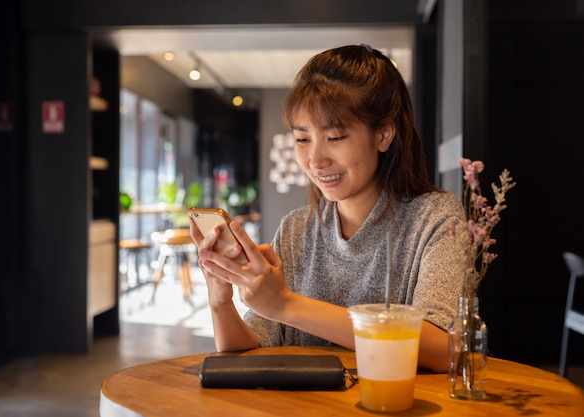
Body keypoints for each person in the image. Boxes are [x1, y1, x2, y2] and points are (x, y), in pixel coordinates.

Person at [190, 44, 466, 372]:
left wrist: (287, 305)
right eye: (303, 140)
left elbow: (444, 348)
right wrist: (220, 299)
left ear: (384, 135)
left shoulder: (435, 218)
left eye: (335, 137)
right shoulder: (296, 228)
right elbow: (249, 350)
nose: (316, 161)